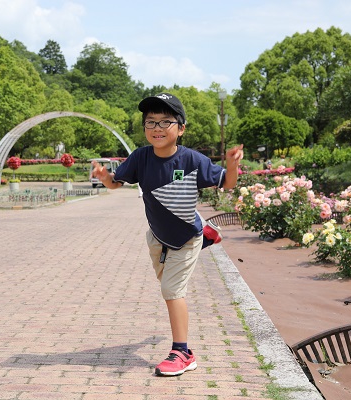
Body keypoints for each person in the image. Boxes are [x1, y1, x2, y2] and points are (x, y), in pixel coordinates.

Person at [91, 93, 244, 377]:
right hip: (157, 238)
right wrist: (104, 177)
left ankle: (182, 352)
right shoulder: (140, 157)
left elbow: (227, 183)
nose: (157, 128)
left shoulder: (192, 160)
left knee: (172, 291)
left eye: (165, 122)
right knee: (169, 286)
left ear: (181, 128)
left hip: (185, 239)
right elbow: (115, 183)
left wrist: (232, 164)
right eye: (151, 122)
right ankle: (208, 233)